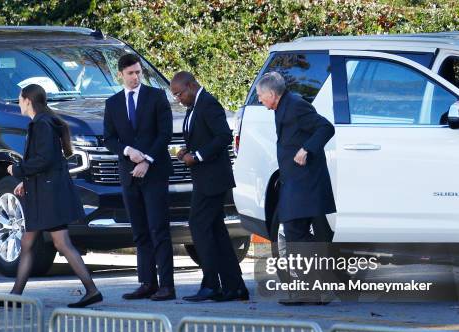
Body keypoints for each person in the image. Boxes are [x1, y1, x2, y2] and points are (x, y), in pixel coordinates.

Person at [6, 84, 102, 308]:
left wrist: (17, 170)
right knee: (31, 242)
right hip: (45, 191)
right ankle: (15, 295)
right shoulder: (44, 122)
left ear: (28, 99)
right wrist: (25, 180)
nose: (18, 103)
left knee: (59, 243)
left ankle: (91, 289)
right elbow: (49, 161)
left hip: (47, 195)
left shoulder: (41, 124)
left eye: (20, 99)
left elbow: (44, 160)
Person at [256, 71, 336, 305]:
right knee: (294, 232)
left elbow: (326, 128)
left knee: (294, 232)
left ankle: (321, 284)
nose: (259, 100)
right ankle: (313, 288)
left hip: (306, 182)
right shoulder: (281, 106)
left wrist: (307, 149)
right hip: (294, 181)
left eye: (261, 96)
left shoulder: (296, 105)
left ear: (272, 94)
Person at [170, 72, 249, 302]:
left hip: (213, 179)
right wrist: (187, 150)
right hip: (204, 178)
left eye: (179, 93)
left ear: (192, 85)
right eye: (175, 95)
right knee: (216, 231)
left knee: (198, 225)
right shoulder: (193, 106)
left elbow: (224, 136)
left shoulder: (208, 103)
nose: (178, 99)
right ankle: (235, 286)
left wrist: (198, 156)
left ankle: (211, 284)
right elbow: (200, 137)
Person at [103, 53, 176, 301]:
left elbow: (165, 133)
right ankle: (147, 282)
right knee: (140, 231)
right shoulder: (112, 103)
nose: (135, 77)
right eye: (131, 73)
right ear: (120, 75)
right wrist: (127, 151)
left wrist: (147, 160)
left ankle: (167, 285)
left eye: (138, 72)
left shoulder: (156, 96)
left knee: (159, 229)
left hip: (154, 173)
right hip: (129, 174)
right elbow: (109, 138)